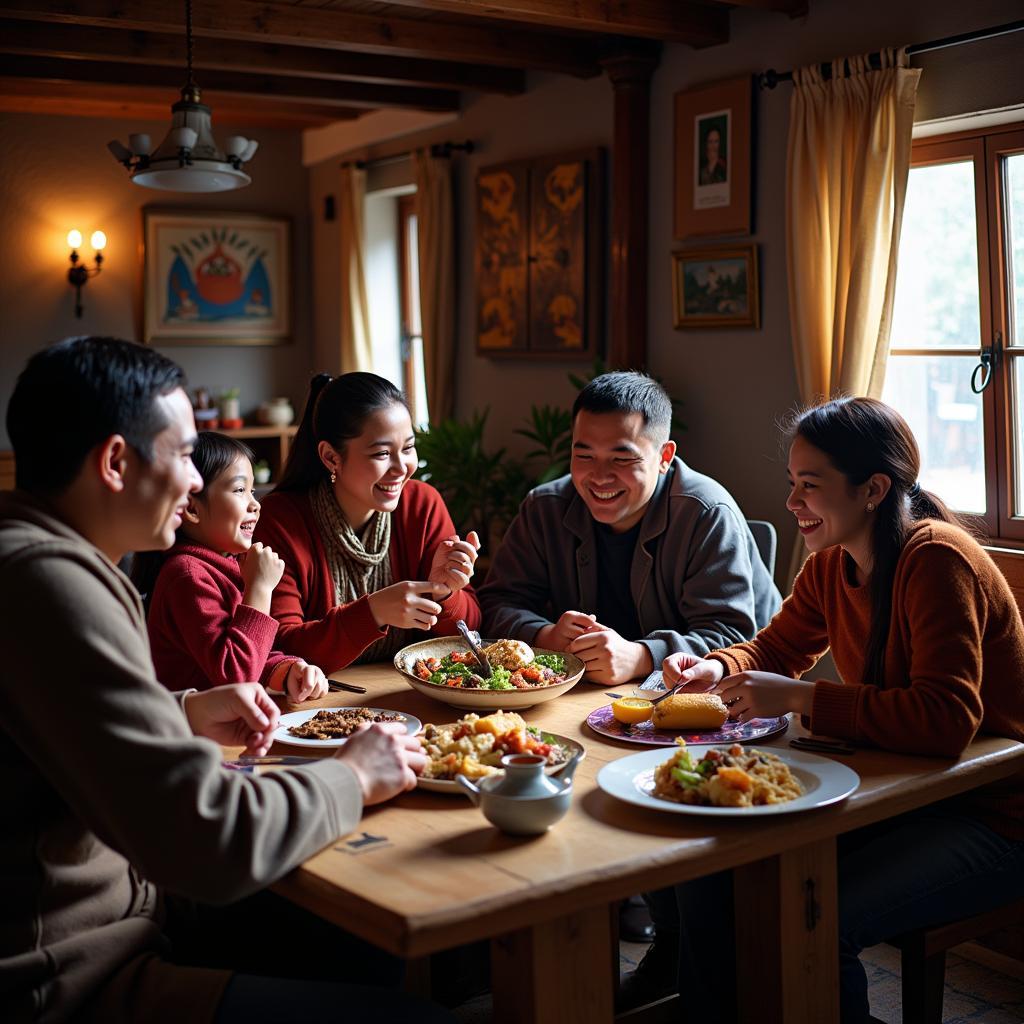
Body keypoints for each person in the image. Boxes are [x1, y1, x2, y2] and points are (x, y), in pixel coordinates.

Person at [0, 337, 449, 1024]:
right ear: (116, 462)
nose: (193, 482)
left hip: (138, 899)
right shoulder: (47, 584)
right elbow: (207, 841)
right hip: (74, 972)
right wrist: (352, 775)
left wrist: (181, 709)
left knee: (372, 939)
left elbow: (53, 726)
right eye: (184, 455)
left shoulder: (43, 555)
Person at [661, 396, 1024, 1024]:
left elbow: (945, 721)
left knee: (819, 916)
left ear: (873, 489)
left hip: (995, 815)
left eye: (810, 486)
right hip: (910, 794)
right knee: (713, 868)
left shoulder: (935, 559)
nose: (791, 503)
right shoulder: (833, 560)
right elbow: (777, 646)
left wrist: (800, 697)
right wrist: (720, 667)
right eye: (791, 484)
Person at [478, 370, 781, 999]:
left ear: (665, 455)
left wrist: (640, 655)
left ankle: (684, 955)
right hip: (596, 712)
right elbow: (497, 601)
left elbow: (734, 634)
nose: (597, 475)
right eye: (582, 453)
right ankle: (553, 967)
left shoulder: (705, 511)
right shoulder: (546, 506)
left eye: (622, 457)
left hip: (720, 713)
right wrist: (544, 633)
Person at [254, 372, 481, 672]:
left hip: (400, 697)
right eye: (383, 453)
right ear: (331, 457)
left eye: (409, 448)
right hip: (320, 703)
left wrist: (444, 592)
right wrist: (372, 612)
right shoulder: (280, 520)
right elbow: (277, 648)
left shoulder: (423, 504)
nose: (402, 468)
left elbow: (472, 629)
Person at [135, 431, 327, 702]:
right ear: (192, 508)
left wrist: (287, 670)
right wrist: (259, 588)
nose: (255, 504)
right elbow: (237, 676)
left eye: (251, 491)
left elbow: (250, 652)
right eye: (239, 490)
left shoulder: (222, 565)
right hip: (194, 734)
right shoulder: (187, 575)